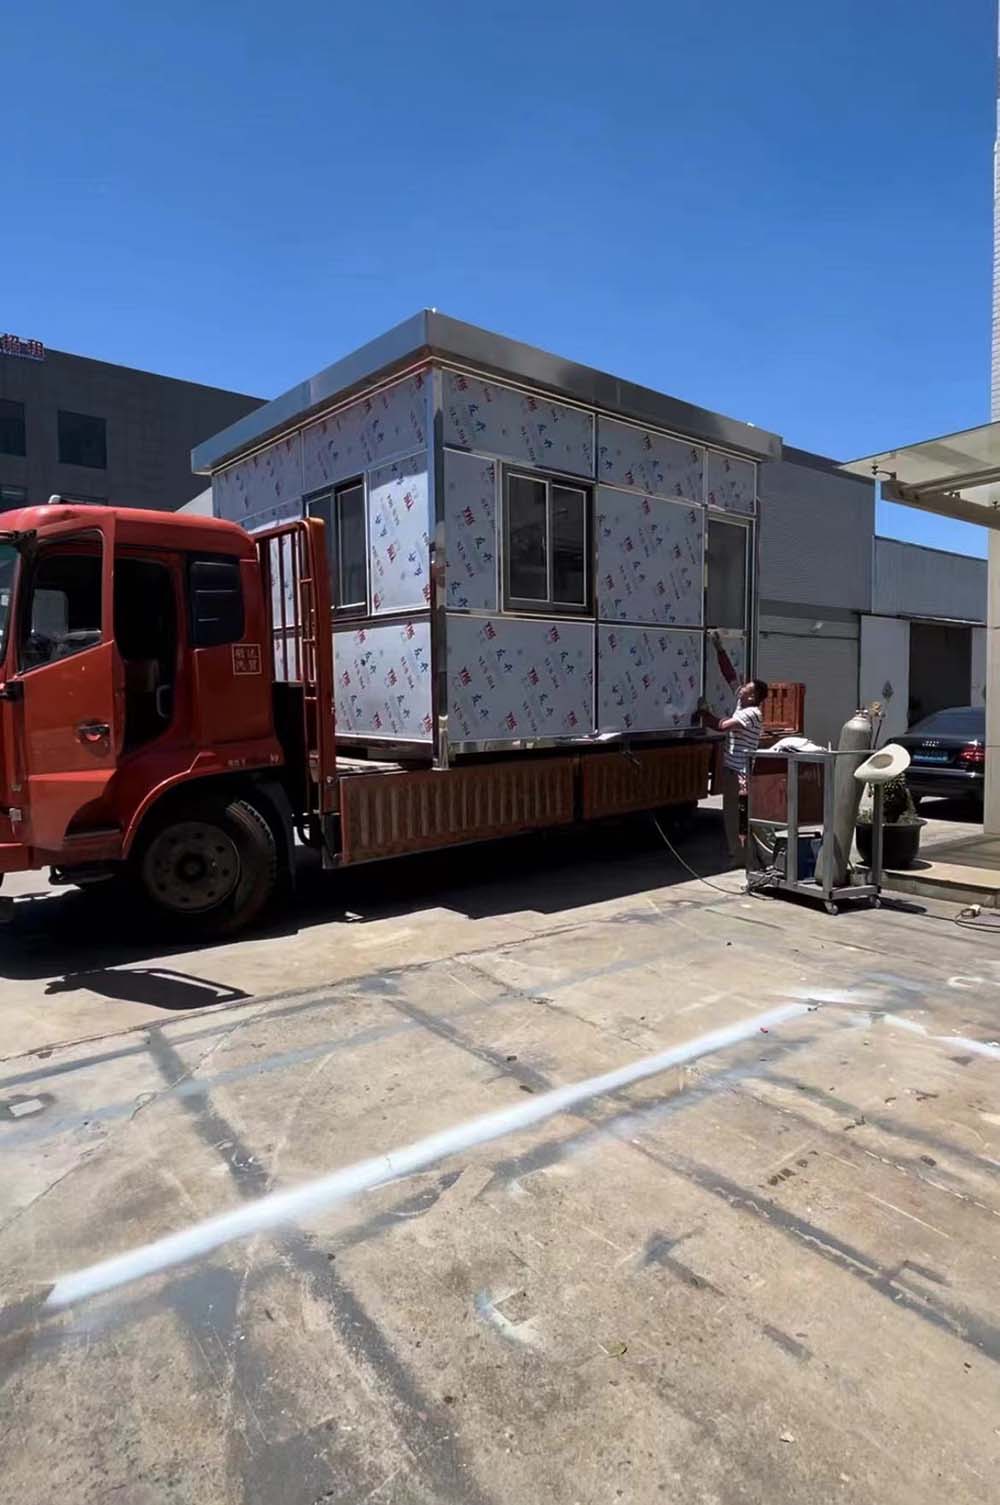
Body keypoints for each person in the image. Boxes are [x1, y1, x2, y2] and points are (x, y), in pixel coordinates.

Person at [700, 669, 769, 859]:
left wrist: (704, 713)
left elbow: (723, 726)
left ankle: (748, 857)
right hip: (733, 770)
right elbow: (729, 675)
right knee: (734, 816)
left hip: (740, 774)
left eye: (746, 687)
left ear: (752, 696)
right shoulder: (742, 702)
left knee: (738, 817)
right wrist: (719, 653)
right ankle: (743, 855)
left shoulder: (751, 713)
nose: (742, 687)